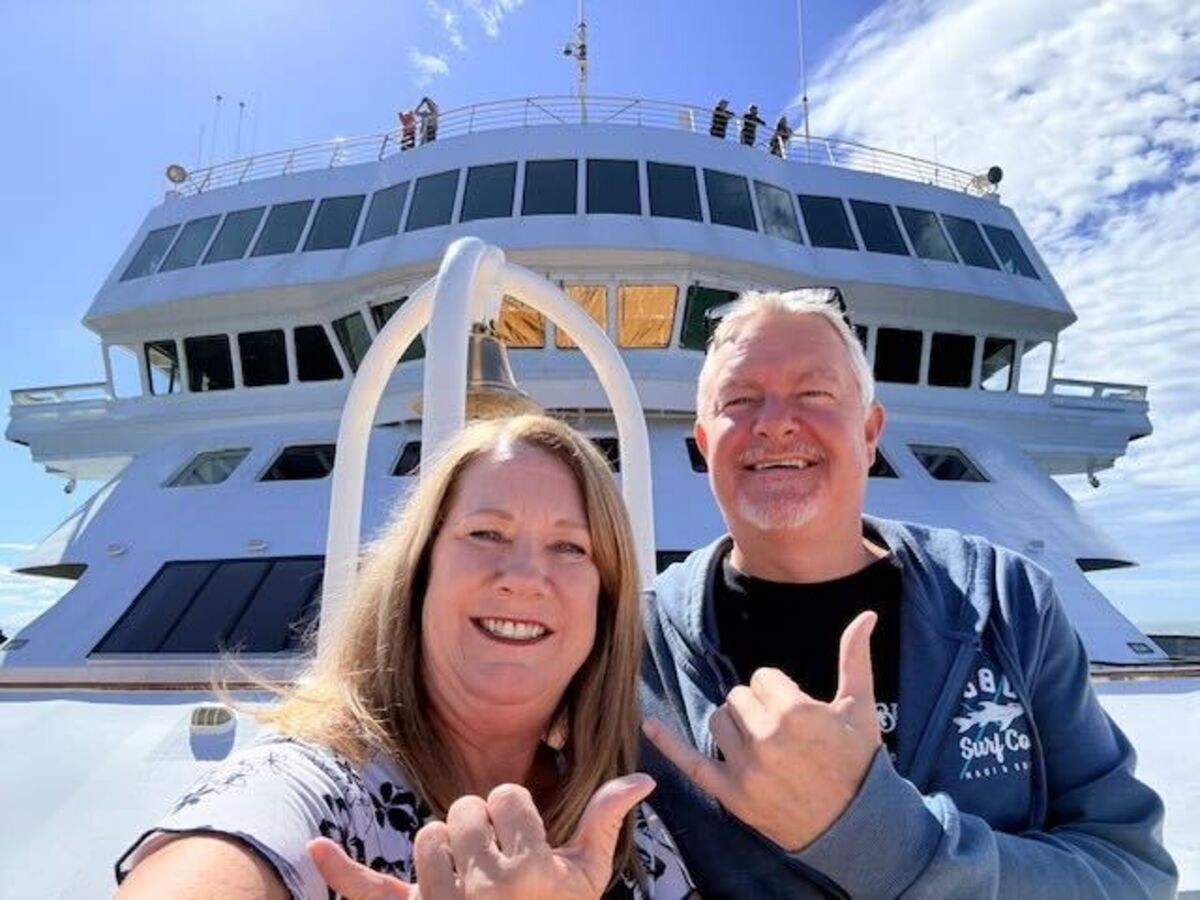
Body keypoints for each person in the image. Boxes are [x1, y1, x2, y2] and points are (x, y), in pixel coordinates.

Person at [638, 289, 1177, 897]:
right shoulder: (640, 650)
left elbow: (1133, 874)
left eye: (814, 394)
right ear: (706, 444)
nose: (776, 422)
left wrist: (877, 838)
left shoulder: (1007, 604)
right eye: (740, 400)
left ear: (870, 432)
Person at [116, 415, 694, 900]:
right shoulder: (317, 786)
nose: (523, 578)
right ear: (419, 576)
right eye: (486, 534)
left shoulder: (623, 821)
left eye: (570, 547)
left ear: (605, 601)